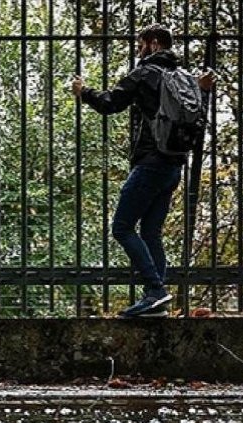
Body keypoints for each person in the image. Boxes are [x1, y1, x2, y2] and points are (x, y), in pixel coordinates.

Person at [72, 24, 213, 317]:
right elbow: (198, 118)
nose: (138, 51)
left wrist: (83, 91)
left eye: (140, 45)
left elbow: (110, 103)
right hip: (174, 166)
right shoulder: (185, 78)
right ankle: (157, 304)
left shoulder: (145, 73)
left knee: (122, 227)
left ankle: (156, 291)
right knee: (150, 232)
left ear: (153, 43)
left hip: (150, 163)